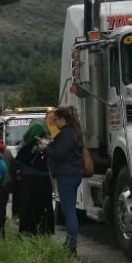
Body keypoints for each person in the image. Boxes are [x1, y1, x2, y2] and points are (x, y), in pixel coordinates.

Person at [43, 105, 85, 254]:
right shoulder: (74, 132)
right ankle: (69, 241)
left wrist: (46, 149)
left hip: (67, 174)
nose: (55, 123)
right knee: (70, 210)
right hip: (73, 173)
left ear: (63, 119)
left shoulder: (66, 134)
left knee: (69, 211)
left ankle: (71, 245)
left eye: (56, 120)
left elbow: (59, 154)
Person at [14, 121, 54, 236]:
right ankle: (44, 232)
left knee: (28, 208)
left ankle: (27, 232)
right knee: (44, 207)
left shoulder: (26, 148)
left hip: (29, 182)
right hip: (45, 181)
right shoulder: (48, 146)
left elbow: (16, 164)